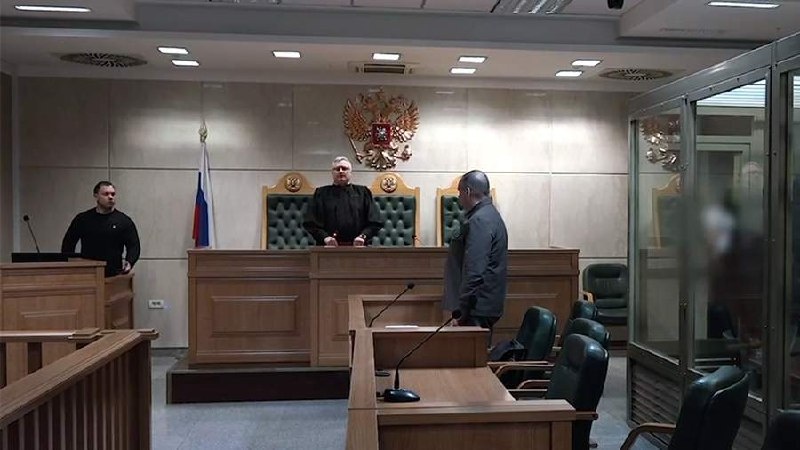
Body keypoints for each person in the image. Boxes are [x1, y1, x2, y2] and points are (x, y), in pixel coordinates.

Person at [443, 170, 508, 343]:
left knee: (470, 356)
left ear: (468, 191)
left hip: (476, 308)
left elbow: (475, 270)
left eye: (460, 193)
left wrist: (461, 312)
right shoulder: (489, 214)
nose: (459, 198)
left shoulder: (480, 220)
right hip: (481, 305)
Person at [61, 181, 141, 277]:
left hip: (113, 274)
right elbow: (68, 243)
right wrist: (69, 265)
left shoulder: (123, 221)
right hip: (88, 273)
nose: (110, 197)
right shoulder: (83, 219)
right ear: (96, 196)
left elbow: (133, 245)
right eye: (106, 194)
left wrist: (129, 262)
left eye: (113, 194)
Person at [303, 156, 381, 247]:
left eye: (344, 168)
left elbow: (375, 221)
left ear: (350, 172)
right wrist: (325, 238)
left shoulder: (363, 192)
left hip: (359, 246)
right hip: (328, 248)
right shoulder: (320, 193)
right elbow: (311, 223)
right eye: (337, 169)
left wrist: (363, 236)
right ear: (332, 173)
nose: (341, 171)